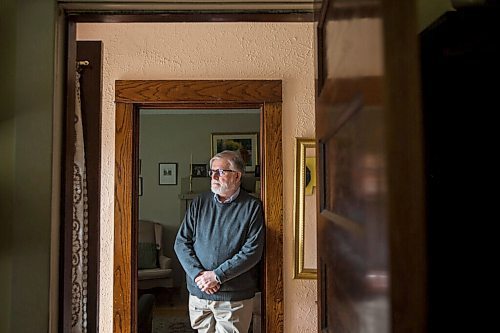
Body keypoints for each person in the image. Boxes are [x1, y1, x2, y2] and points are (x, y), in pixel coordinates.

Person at [174, 150, 265, 333]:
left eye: (221, 171)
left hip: (233, 297)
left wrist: (216, 276)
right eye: (212, 171)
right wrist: (199, 275)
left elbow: (252, 251)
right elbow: (181, 242)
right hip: (199, 293)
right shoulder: (199, 202)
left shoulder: (252, 207)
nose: (214, 176)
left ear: (237, 175)